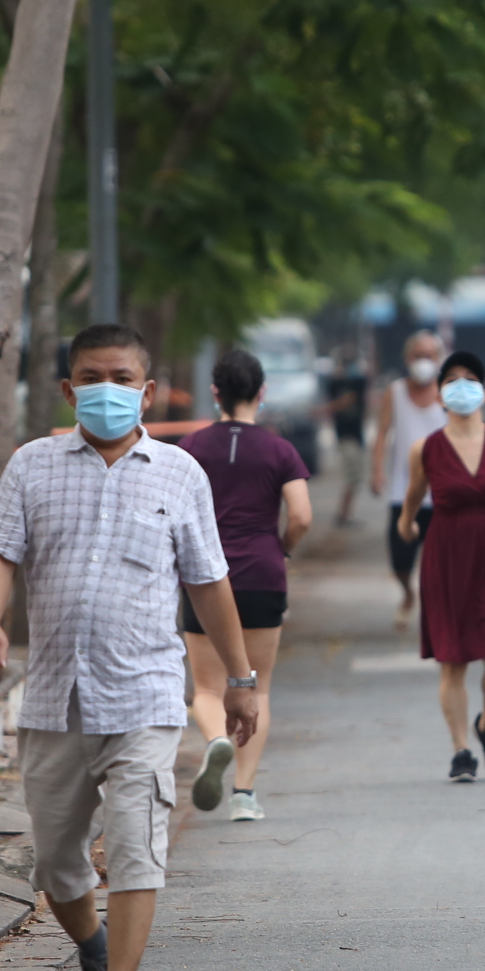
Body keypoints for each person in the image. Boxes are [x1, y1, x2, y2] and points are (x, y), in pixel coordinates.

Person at [0, 323, 260, 971]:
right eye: (93, 377)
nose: (109, 390)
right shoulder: (33, 467)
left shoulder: (180, 474)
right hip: (54, 698)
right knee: (56, 864)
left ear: (147, 390)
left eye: (123, 378)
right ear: (68, 390)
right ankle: (93, 951)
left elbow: (209, 581)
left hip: (145, 694)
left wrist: (241, 679)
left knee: (137, 845)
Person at [179, 347, 314, 824]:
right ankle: (243, 793)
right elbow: (301, 515)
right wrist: (281, 547)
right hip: (262, 574)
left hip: (202, 578)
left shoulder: (192, 447)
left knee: (209, 690)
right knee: (258, 688)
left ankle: (216, 739)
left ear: (216, 392)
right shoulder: (280, 449)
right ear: (262, 392)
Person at [398, 351, 485, 781]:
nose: (461, 386)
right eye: (451, 380)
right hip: (447, 557)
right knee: (453, 662)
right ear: (440, 395)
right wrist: (404, 524)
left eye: (470, 378)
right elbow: (415, 493)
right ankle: (461, 751)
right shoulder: (427, 448)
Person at [369, 331, 447, 629]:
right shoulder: (396, 392)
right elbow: (382, 434)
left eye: (430, 356)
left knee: (439, 560)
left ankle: (436, 610)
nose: (423, 362)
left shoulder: (448, 392)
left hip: (442, 493)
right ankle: (407, 592)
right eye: (418, 356)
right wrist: (377, 470)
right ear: (407, 359)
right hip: (403, 492)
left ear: (439, 360)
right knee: (400, 559)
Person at [326, 353, 369, 524]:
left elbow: (350, 398)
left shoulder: (358, 383)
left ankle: (345, 513)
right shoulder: (334, 384)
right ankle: (344, 514)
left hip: (356, 436)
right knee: (353, 476)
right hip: (345, 436)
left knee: (356, 476)